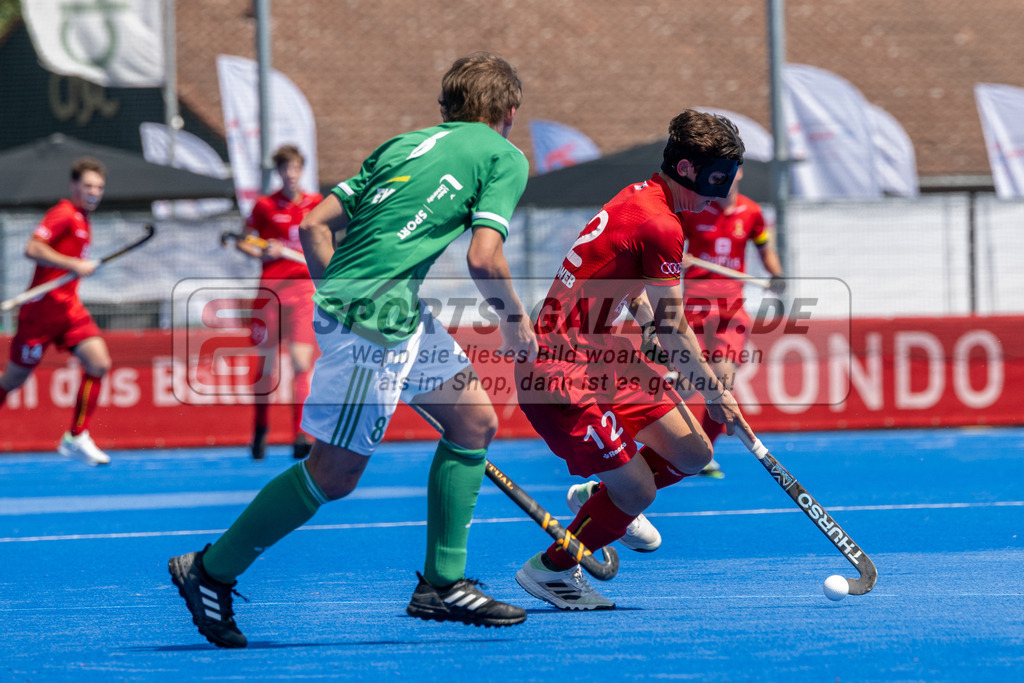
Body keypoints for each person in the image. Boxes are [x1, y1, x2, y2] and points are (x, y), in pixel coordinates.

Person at [169, 52, 538, 648]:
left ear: (445, 108)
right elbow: (484, 257)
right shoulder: (503, 155)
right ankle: (210, 570)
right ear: (509, 113)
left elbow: (314, 225)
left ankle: (441, 585)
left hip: (396, 315)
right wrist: (518, 327)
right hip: (375, 327)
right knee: (333, 476)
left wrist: (340, 296)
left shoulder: (400, 145)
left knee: (473, 421)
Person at [512, 110, 757, 610]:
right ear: (687, 169)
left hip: (603, 350)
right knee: (640, 493)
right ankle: (551, 570)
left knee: (693, 454)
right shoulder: (662, 224)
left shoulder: (638, 195)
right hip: (560, 368)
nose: (718, 196)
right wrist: (717, 395)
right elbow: (675, 326)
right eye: (714, 181)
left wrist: (644, 319)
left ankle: (602, 496)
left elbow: (629, 284)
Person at [0, 158, 112, 466]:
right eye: (88, 186)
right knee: (12, 382)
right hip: (39, 315)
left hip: (69, 311)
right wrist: (73, 264)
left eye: (99, 187)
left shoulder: (84, 220)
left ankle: (76, 436)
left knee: (99, 363)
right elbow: (32, 249)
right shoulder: (63, 214)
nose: (94, 192)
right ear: (74, 185)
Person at [678, 167, 785, 478]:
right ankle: (653, 439)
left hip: (731, 308)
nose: (723, 178)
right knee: (685, 384)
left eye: (731, 171)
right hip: (695, 306)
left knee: (722, 381)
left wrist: (776, 275)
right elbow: (672, 247)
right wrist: (678, 256)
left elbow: (767, 252)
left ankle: (702, 454)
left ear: (739, 174)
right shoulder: (695, 209)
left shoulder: (752, 213)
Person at [235, 145, 323, 461]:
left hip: (303, 294)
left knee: (301, 363)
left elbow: (328, 240)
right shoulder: (264, 206)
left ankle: (302, 435)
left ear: (302, 170)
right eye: (286, 168)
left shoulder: (316, 204)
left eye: (296, 168)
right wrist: (262, 251)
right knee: (267, 368)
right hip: (270, 293)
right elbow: (243, 240)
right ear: (279, 172)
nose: (291, 174)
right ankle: (260, 430)